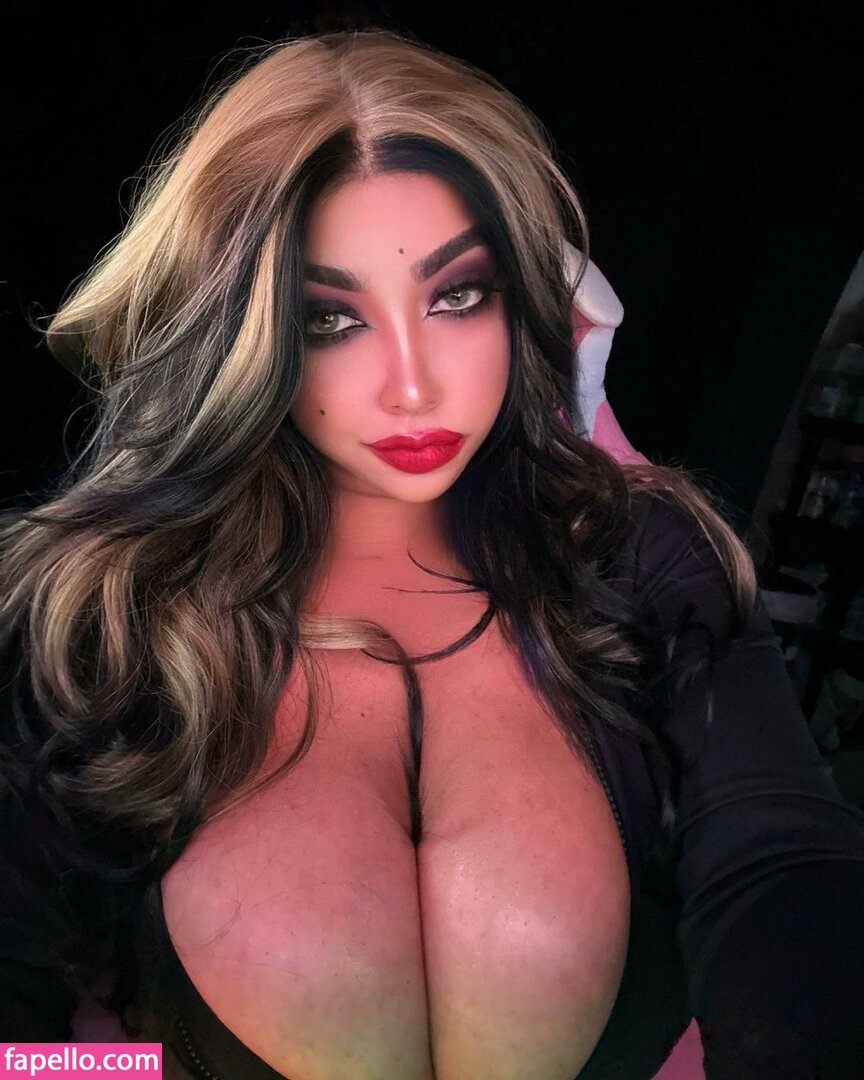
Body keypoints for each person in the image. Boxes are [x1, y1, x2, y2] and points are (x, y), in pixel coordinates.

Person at [2, 27, 863, 1080]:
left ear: (526, 300)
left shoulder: (645, 557)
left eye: (458, 295)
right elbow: (18, 1037)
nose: (413, 386)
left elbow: (784, 865)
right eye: (328, 318)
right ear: (244, 333)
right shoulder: (97, 614)